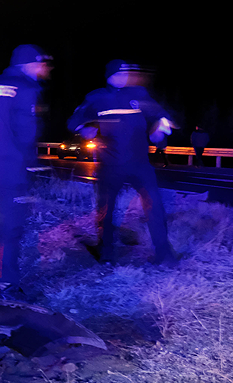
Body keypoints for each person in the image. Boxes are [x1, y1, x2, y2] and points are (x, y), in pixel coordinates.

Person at [68, 59, 178, 265]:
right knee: (106, 209)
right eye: (119, 74)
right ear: (109, 76)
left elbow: (162, 114)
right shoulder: (96, 97)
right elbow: (74, 121)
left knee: (155, 206)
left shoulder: (138, 94)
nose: (123, 77)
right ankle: (106, 253)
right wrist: (84, 130)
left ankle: (164, 254)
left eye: (126, 74)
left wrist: (161, 128)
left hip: (140, 164)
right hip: (110, 165)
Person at [0, 44, 53, 298]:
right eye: (41, 64)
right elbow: (27, 130)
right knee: (13, 227)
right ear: (29, 64)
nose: (44, 69)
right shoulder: (27, 88)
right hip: (13, 167)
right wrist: (32, 164)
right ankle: (9, 285)